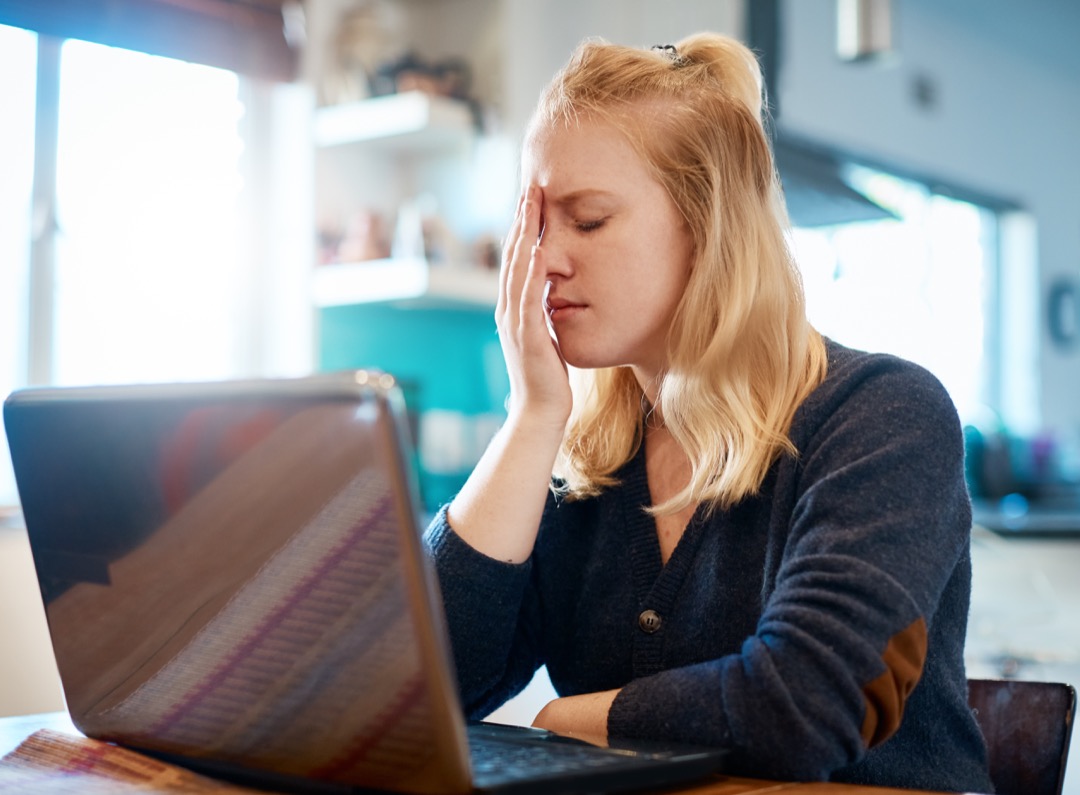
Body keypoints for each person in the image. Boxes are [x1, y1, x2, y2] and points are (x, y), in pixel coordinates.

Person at [424, 31, 994, 793]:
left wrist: (573, 716)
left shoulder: (883, 416)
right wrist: (532, 416)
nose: (544, 260)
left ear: (709, 226)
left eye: (588, 219)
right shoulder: (587, 461)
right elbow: (423, 687)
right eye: (536, 222)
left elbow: (800, 709)